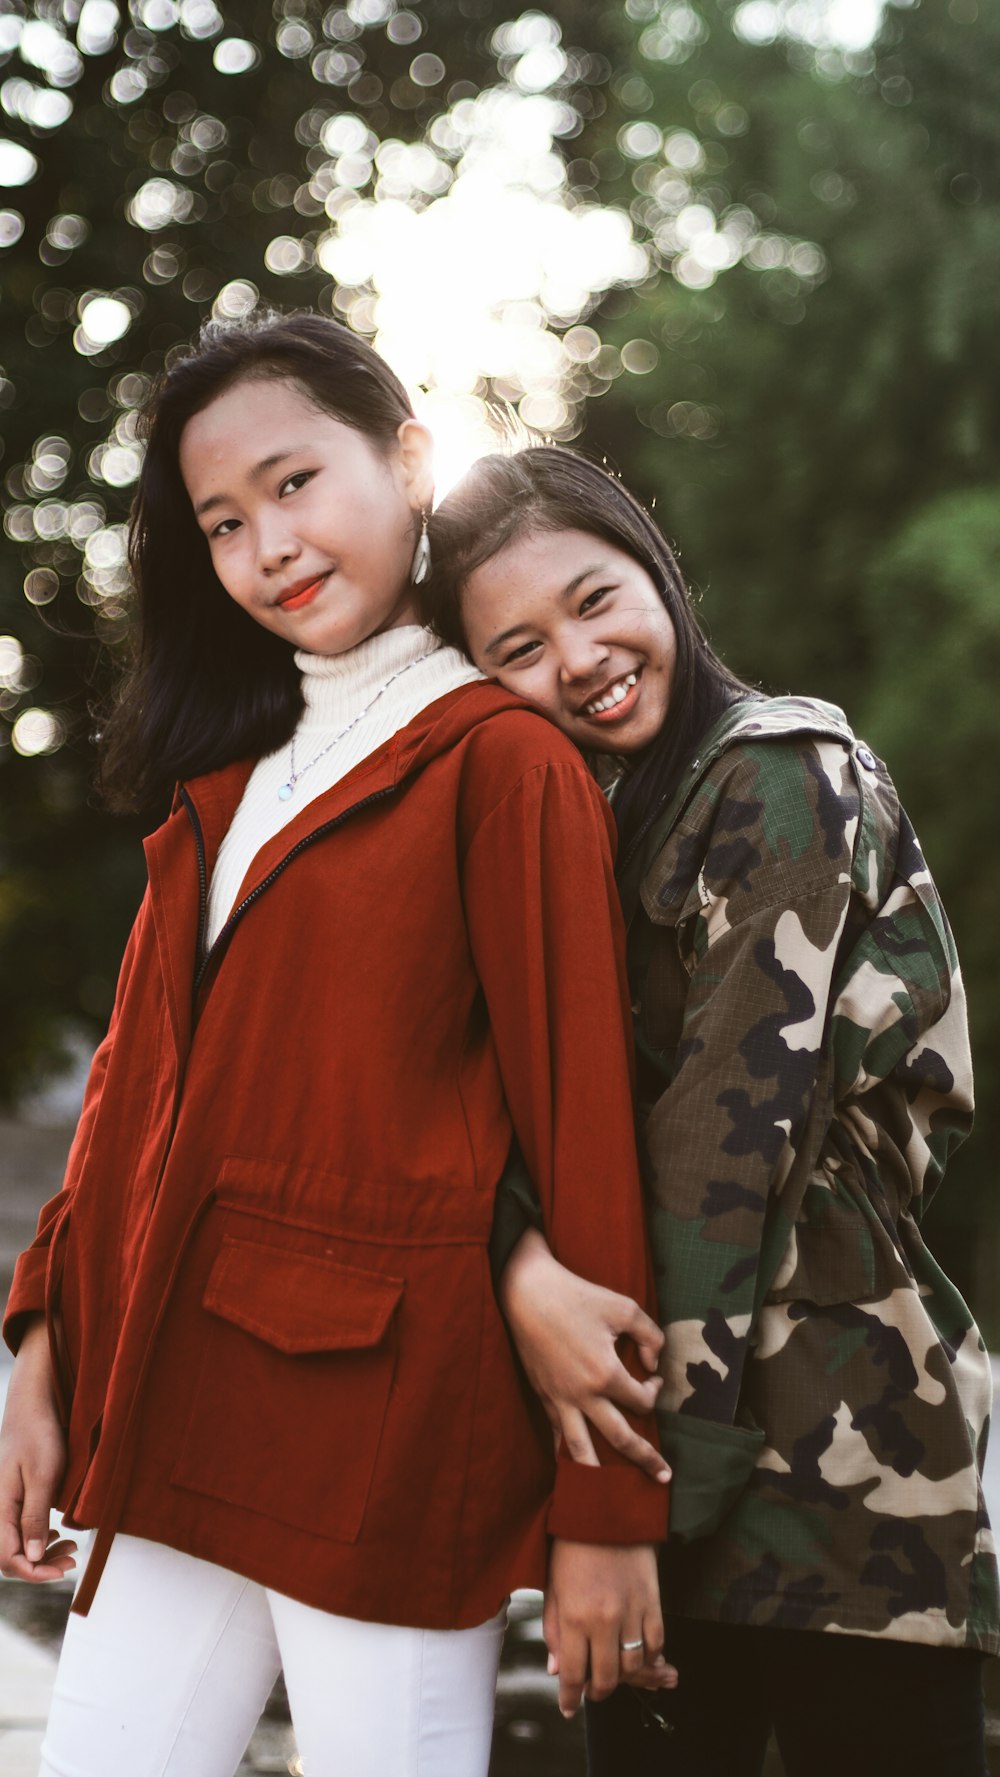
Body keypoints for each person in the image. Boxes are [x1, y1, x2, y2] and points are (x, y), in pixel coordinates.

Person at [0, 319, 672, 1777]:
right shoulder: (224, 778)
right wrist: (43, 1332)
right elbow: (130, 1088)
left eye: (296, 482)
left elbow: (584, 1136)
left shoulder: (503, 760)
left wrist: (605, 1516)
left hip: (376, 1431)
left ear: (408, 457)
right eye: (226, 522)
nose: (269, 545)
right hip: (174, 1409)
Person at [426, 444, 1000, 1777]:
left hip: (840, 1468)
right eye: (515, 645)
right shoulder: (594, 821)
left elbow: (720, 1143)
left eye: (594, 598)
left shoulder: (776, 770)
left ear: (659, 573)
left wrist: (630, 1491)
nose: (575, 656)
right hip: (673, 1441)